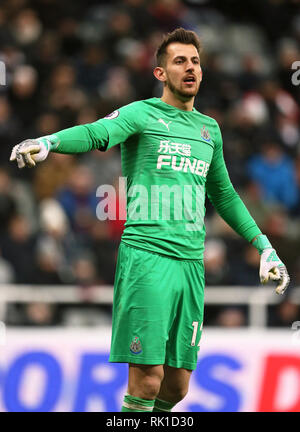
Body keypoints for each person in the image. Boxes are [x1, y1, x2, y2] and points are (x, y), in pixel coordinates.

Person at [10, 28, 290, 413]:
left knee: (176, 387)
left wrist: (265, 246)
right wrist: (50, 142)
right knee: (146, 380)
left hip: (191, 264)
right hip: (147, 258)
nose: (189, 68)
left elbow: (223, 194)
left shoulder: (210, 129)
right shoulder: (142, 114)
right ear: (161, 73)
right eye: (179, 61)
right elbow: (97, 132)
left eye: (194, 61)